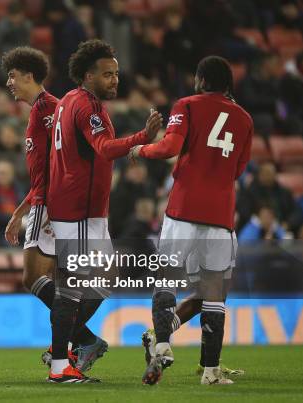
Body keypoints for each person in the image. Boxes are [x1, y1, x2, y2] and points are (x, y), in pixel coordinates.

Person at [130, 55, 253, 385]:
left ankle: (164, 346)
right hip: (221, 215)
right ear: (228, 85)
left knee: (167, 279)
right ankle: (210, 371)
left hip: (183, 209)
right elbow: (240, 168)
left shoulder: (186, 104)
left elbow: (169, 146)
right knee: (214, 294)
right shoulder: (244, 119)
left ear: (200, 80)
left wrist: (139, 150)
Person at [46, 39, 162, 383]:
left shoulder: (69, 99)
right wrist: (143, 137)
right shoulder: (88, 106)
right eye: (107, 74)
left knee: (103, 280)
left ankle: (69, 350)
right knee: (73, 286)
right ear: (87, 75)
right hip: (79, 209)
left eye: (116, 73)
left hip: (82, 209)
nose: (115, 80)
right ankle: (59, 364)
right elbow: (105, 148)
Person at [1, 46, 107, 372]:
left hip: (51, 205)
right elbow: (41, 171)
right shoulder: (41, 110)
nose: (9, 83)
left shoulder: (50, 110)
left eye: (13, 76)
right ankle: (78, 341)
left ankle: (77, 342)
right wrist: (20, 213)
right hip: (42, 202)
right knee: (53, 281)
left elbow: (59, 165)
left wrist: (40, 208)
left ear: (29, 76)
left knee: (35, 277)